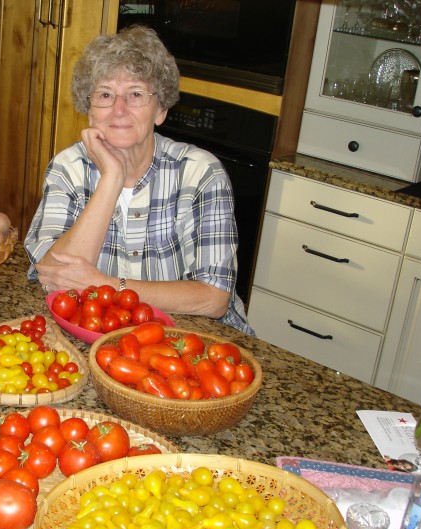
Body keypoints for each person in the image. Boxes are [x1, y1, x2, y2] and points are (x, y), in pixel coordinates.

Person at [24, 25, 254, 335]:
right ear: (89, 111)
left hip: (193, 343)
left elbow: (213, 298)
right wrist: (112, 177)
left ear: (160, 110)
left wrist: (105, 285)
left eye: (135, 94)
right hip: (100, 337)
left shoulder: (200, 173)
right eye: (105, 94)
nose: (119, 109)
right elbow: (53, 278)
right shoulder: (69, 168)